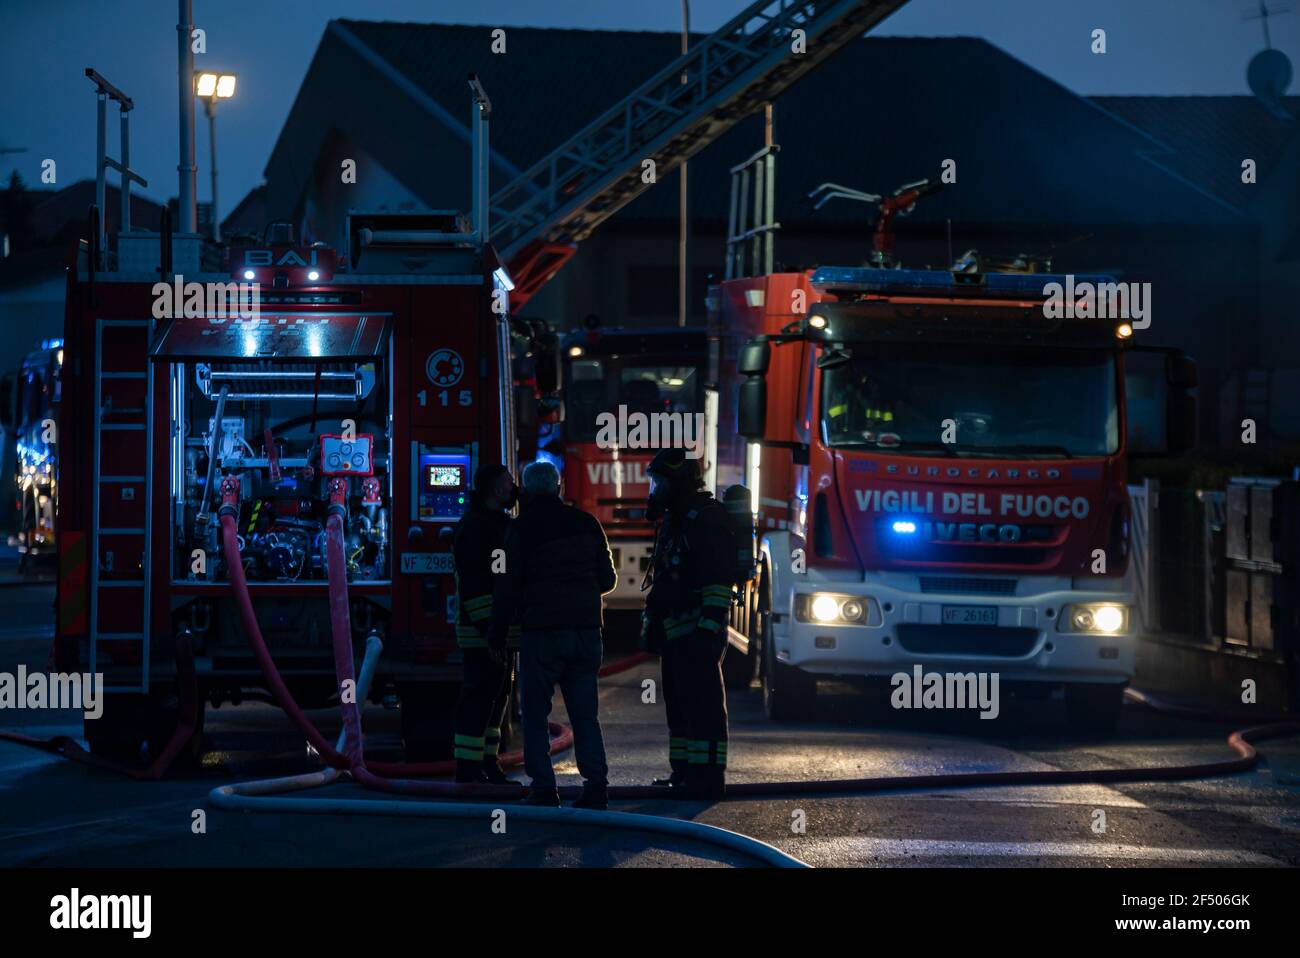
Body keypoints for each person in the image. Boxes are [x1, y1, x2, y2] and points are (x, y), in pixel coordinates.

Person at [487, 460, 616, 809]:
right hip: (587, 633)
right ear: (559, 488)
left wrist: (496, 635)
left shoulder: (521, 529)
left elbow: (507, 587)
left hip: (542, 635)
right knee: (585, 714)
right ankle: (596, 787)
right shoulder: (587, 523)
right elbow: (608, 580)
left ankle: (544, 790)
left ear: (526, 492)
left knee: (534, 715)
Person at [641, 448, 734, 799]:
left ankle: (708, 779)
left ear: (677, 482)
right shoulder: (677, 520)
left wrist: (708, 628)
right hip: (675, 635)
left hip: (697, 633)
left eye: (659, 481)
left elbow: (717, 581)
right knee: (679, 707)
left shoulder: (707, 521)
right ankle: (682, 773)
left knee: (704, 709)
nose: (655, 489)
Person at [451, 464, 520, 784]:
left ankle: (489, 761)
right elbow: (476, 587)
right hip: (482, 634)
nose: (514, 488)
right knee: (478, 700)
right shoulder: (476, 528)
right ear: (495, 490)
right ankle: (467, 768)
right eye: (509, 483)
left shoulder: (499, 524)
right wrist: (490, 633)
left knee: (497, 700)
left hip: (498, 633)